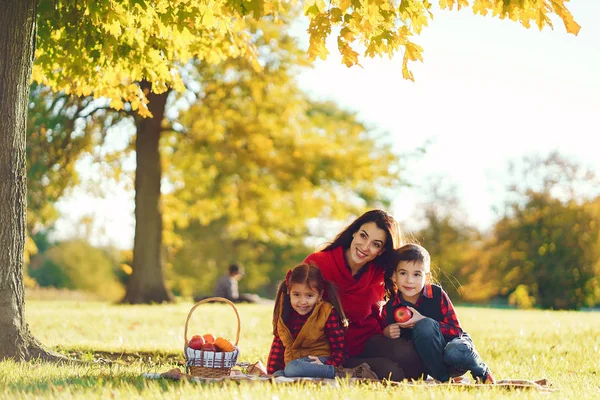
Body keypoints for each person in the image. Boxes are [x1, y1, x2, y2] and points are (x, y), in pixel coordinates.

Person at [303, 209, 425, 381]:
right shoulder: (318, 263)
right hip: (330, 349)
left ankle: (456, 364)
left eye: (376, 244)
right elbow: (290, 308)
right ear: (354, 232)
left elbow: (386, 308)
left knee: (411, 361)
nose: (365, 247)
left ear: (382, 250)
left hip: (367, 342)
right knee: (392, 373)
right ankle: (343, 370)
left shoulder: (378, 273)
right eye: (363, 236)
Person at [381, 243, 495, 384]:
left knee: (450, 348)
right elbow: (387, 345)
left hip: (454, 351)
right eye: (403, 273)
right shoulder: (391, 308)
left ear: (427, 278)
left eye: (417, 274)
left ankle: (482, 372)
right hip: (430, 362)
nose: (409, 280)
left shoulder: (436, 295)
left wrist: (423, 320)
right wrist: (386, 332)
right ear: (394, 276)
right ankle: (444, 381)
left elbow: (456, 331)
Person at [266, 263, 378, 379]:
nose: (302, 301)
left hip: (321, 361)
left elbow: (340, 350)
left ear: (320, 295)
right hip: (297, 364)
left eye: (309, 296)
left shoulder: (327, 313)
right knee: (279, 374)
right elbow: (278, 345)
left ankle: (344, 373)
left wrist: (330, 363)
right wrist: (271, 373)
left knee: (292, 368)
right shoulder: (285, 313)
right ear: (289, 292)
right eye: (297, 295)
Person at [194, 264, 262, 303]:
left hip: (218, 298)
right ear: (236, 273)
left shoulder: (223, 278)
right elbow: (232, 297)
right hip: (224, 299)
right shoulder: (230, 281)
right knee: (251, 297)